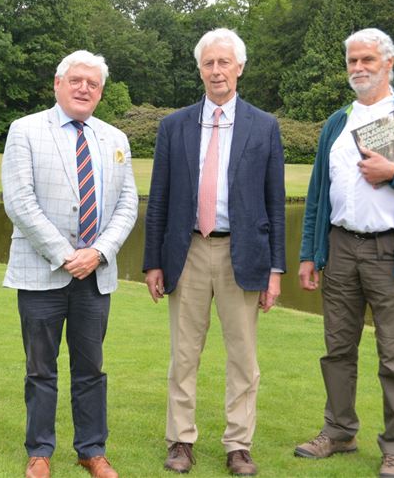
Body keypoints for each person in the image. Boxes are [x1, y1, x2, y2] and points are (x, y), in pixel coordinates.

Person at [294, 28, 394, 478]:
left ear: (389, 63)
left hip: (392, 252)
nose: (359, 68)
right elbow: (316, 197)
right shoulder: (338, 120)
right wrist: (310, 254)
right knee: (337, 349)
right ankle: (339, 430)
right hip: (341, 247)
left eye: (368, 59)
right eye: (352, 60)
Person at [143, 28, 286, 476]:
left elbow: (275, 203)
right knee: (184, 355)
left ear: (240, 67)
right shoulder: (174, 125)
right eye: (209, 63)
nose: (216, 70)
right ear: (200, 69)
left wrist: (275, 269)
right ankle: (180, 442)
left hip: (242, 255)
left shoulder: (264, 126)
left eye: (224, 62)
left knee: (243, 358)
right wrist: (152, 261)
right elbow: (159, 198)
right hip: (186, 251)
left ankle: (238, 445)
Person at [2, 50, 138, 478]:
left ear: (100, 92)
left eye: (93, 83)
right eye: (76, 80)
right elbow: (20, 202)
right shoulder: (24, 131)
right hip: (43, 273)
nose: (84, 88)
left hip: (95, 276)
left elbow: (128, 204)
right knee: (40, 368)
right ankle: (40, 451)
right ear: (57, 84)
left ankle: (91, 451)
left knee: (91, 368)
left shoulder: (115, 138)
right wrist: (66, 255)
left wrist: (98, 253)